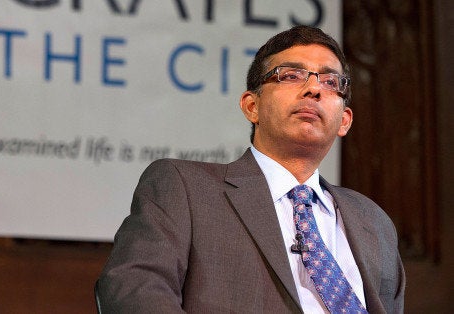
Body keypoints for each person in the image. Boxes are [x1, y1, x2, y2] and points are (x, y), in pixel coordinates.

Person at [96, 26, 405, 313]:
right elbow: (132, 289)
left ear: (345, 120)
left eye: (330, 81)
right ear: (251, 106)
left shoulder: (374, 223)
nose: (313, 89)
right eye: (291, 75)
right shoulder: (184, 188)